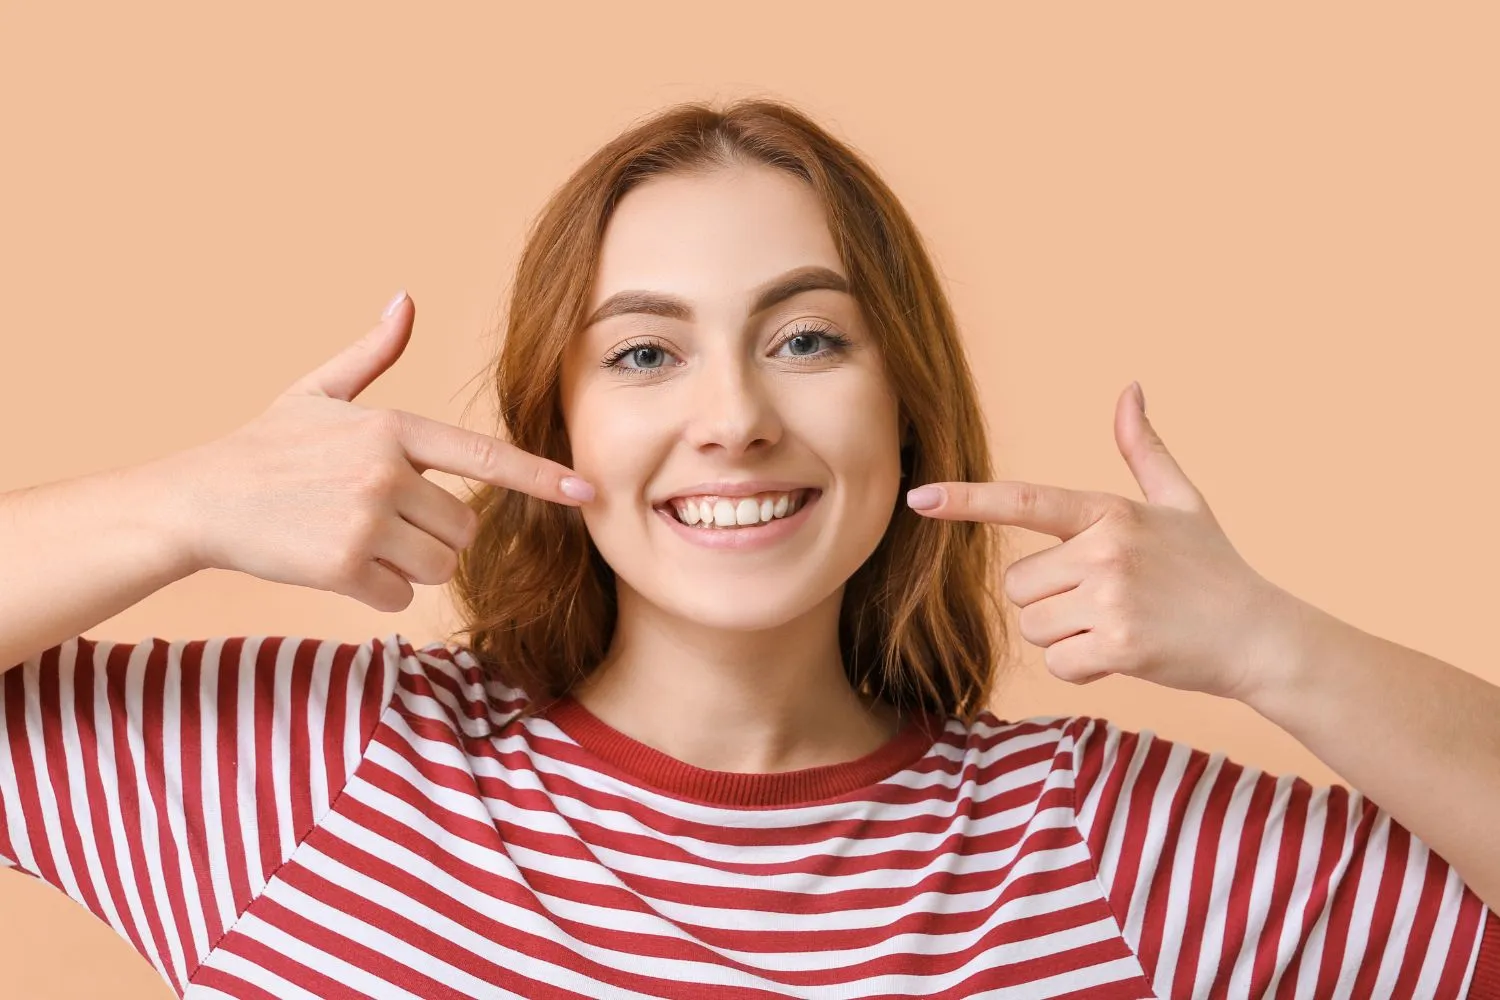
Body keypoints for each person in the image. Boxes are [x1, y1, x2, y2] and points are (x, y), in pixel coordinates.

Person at [1, 98, 1495, 999]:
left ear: (906, 405)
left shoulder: (1106, 851)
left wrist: (1270, 644)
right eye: (644, 356)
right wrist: (179, 505)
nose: (734, 419)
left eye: (805, 339)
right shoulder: (314, 778)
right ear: (557, 424)